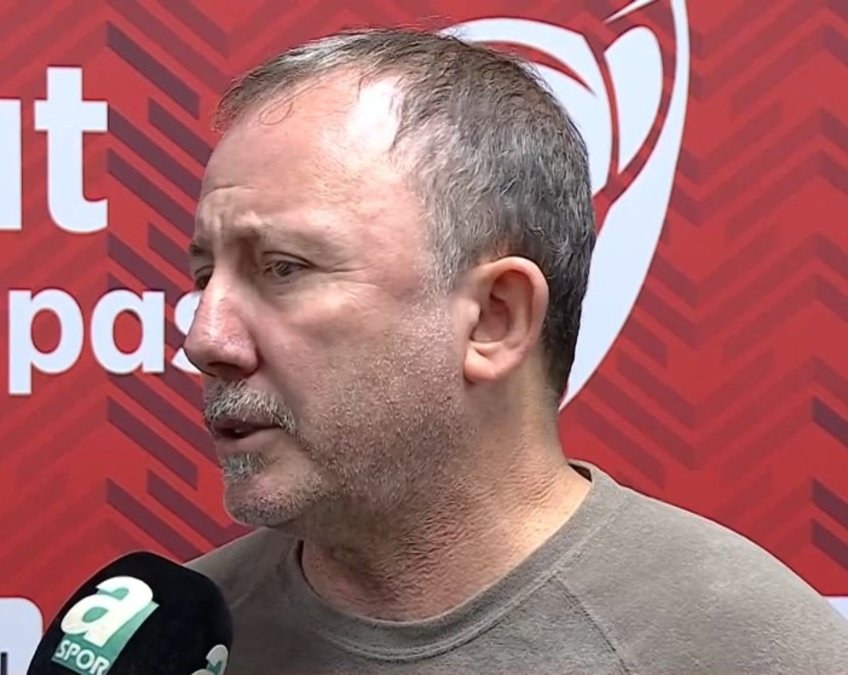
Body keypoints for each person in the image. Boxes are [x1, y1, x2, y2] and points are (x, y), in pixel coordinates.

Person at [180, 25, 848, 675]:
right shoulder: (175, 643)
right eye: (206, 276)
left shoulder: (736, 645)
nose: (205, 339)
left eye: (284, 268)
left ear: (494, 318)